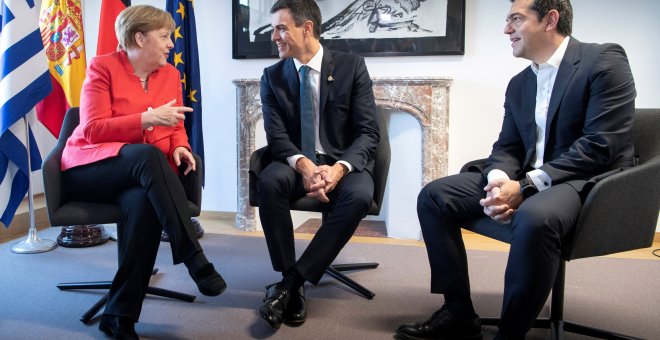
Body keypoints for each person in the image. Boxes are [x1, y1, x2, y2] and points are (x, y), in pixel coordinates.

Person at [395, 0, 636, 339]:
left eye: (516, 19)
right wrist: (499, 181)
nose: (506, 29)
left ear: (550, 19)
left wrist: (525, 187)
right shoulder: (520, 83)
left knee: (535, 217)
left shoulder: (604, 61)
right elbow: (508, 146)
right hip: (529, 178)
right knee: (435, 196)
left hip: (583, 179)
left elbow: (599, 146)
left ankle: (510, 334)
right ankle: (458, 313)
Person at [60, 5, 226, 339]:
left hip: (137, 176)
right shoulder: (102, 67)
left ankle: (119, 316)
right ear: (139, 37)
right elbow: (92, 130)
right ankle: (193, 256)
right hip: (90, 169)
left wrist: (179, 146)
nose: (170, 44)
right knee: (148, 156)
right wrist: (147, 120)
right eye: (164, 36)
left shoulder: (170, 75)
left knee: (144, 203)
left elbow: (176, 124)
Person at [256, 0, 380, 330]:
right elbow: (277, 137)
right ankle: (288, 276)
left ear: (306, 28)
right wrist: (306, 167)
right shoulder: (272, 76)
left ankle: (290, 286)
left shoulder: (352, 66)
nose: (274, 37)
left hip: (343, 162)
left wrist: (338, 169)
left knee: (358, 196)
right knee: (269, 182)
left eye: (281, 28)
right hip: (298, 161)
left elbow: (369, 132)